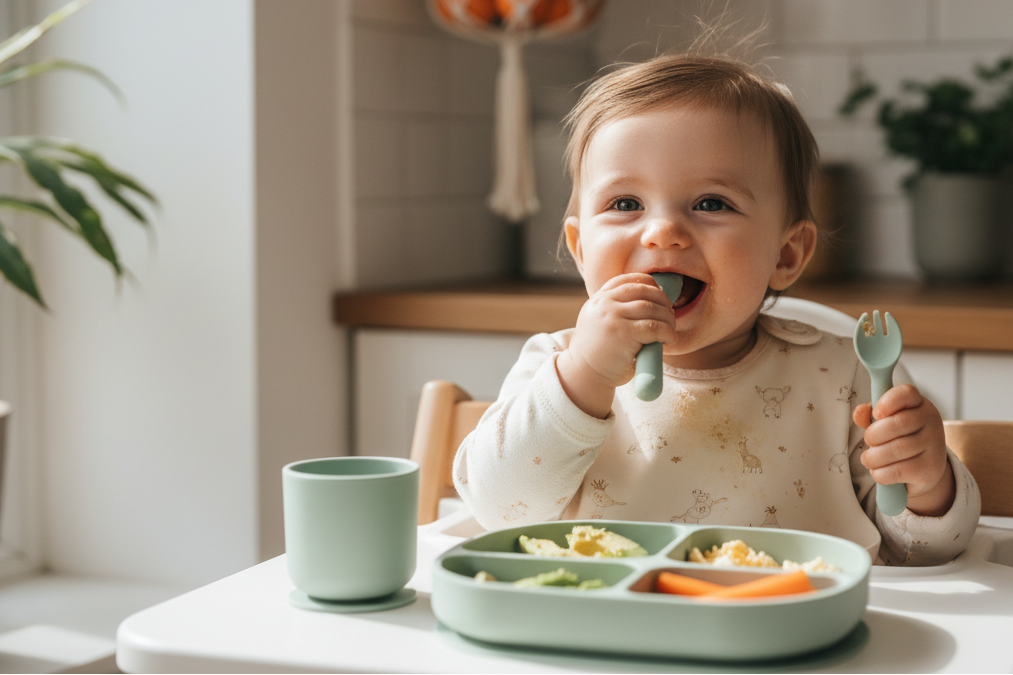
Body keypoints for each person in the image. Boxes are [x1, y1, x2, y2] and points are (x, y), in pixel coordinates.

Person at [453, 53, 980, 566]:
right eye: (625, 204)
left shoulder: (843, 376)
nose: (661, 232)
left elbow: (924, 552)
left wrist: (928, 482)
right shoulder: (556, 366)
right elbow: (500, 511)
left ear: (787, 253)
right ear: (581, 248)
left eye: (711, 203)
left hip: (794, 632)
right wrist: (584, 375)